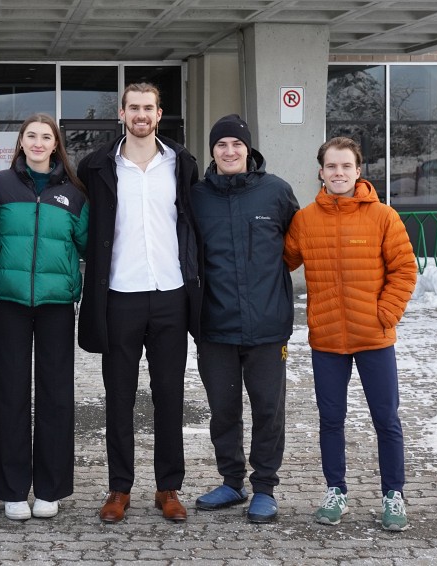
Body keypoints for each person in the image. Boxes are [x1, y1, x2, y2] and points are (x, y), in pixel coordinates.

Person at [76, 82, 204, 524]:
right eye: (134, 108)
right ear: (122, 114)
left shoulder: (181, 163)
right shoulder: (97, 166)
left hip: (171, 294)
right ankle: (119, 488)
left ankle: (168, 487)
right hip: (119, 296)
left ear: (159, 112)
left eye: (149, 108)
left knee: (170, 395)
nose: (141, 115)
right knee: (119, 398)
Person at [283, 136, 417, 531]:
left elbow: (405, 270)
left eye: (346, 166)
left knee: (386, 419)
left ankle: (394, 495)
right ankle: (335, 490)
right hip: (327, 340)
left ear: (358, 171)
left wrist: (385, 314)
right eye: (331, 166)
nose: (338, 173)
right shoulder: (305, 220)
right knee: (331, 419)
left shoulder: (383, 217)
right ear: (321, 172)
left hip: (374, 338)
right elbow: (279, 261)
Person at [190, 114, 299, 523]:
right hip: (214, 326)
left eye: (236, 144)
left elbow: (296, 244)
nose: (229, 151)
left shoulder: (276, 192)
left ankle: (265, 487)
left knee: (268, 408)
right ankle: (232, 482)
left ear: (248, 150)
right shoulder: (197, 196)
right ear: (213, 151)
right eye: (221, 145)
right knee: (223, 408)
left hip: (268, 327)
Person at [0, 113, 88, 521]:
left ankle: (50, 488)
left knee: (56, 396)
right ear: (21, 143)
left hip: (56, 306)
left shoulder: (75, 193)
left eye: (47, 137)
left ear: (56, 144)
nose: (39, 142)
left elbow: (87, 244)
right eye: (32, 136)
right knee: (9, 395)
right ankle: (12, 490)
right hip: (10, 304)